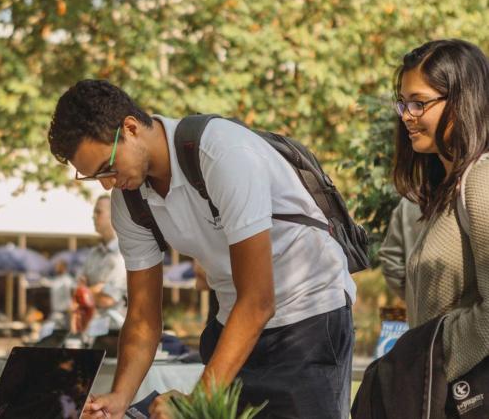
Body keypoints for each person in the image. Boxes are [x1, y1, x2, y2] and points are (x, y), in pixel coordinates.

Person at [48, 80, 355, 418]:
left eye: (108, 166)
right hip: (232, 322)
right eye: (95, 177)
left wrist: (196, 402)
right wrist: (120, 396)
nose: (107, 183)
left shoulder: (222, 152)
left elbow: (258, 301)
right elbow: (141, 316)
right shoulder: (130, 200)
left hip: (309, 314)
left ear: (131, 128)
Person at [391, 39, 489, 391]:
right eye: (403, 102)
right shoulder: (447, 187)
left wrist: (427, 356)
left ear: (463, 101)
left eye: (420, 103)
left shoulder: (481, 180)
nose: (406, 115)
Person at [76, 194, 128, 330]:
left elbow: (107, 299)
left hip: (116, 333)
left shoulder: (124, 253)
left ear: (114, 215)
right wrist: (96, 289)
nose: (93, 216)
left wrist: (86, 291)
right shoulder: (93, 253)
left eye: (98, 212)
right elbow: (78, 294)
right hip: (93, 331)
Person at [378, 198, 424, 300]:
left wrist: (412, 296)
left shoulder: (408, 202)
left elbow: (390, 262)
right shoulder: (463, 195)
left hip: (419, 310)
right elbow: (390, 261)